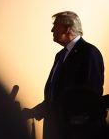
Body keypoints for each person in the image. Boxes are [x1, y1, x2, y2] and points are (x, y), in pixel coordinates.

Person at [22, 11, 106, 139]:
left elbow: (92, 94)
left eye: (55, 25)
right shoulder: (60, 55)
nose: (52, 30)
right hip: (55, 130)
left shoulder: (89, 52)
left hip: (75, 132)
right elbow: (55, 97)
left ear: (67, 29)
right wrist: (33, 112)